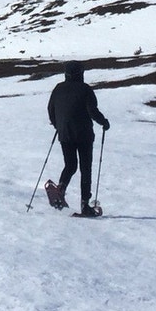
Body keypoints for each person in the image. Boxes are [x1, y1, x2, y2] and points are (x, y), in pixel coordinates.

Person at [45, 60, 111, 216]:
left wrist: (58, 125)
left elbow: (50, 109)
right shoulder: (85, 89)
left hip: (65, 133)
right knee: (85, 168)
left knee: (70, 164)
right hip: (84, 135)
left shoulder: (58, 89)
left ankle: (60, 189)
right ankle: (85, 205)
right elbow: (92, 111)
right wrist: (104, 122)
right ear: (80, 73)